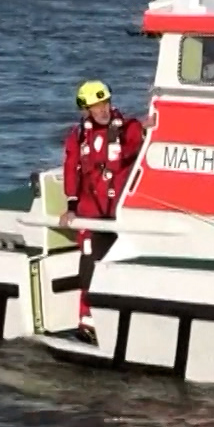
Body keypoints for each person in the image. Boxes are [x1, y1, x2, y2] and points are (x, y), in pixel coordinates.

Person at [60, 80, 145, 345]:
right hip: (90, 214)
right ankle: (87, 324)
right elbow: (71, 170)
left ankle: (120, 324)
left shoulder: (128, 128)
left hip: (120, 215)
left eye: (105, 103)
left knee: (121, 268)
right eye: (96, 106)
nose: (103, 110)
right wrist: (71, 206)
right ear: (86, 109)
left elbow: (137, 149)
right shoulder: (77, 137)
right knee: (88, 267)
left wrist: (146, 126)